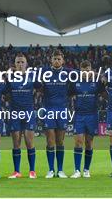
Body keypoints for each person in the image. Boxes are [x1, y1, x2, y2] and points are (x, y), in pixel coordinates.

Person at [5, 53, 41, 179]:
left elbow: (41, 87)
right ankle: (17, 171)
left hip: (28, 112)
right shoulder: (10, 78)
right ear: (15, 64)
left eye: (22, 62)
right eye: (18, 62)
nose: (20, 64)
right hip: (15, 113)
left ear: (26, 64)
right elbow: (4, 92)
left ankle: (32, 171)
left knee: (29, 142)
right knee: (16, 143)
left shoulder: (32, 76)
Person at [41, 50, 72, 178]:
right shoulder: (44, 73)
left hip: (62, 110)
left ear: (63, 60)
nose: (57, 61)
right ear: (51, 60)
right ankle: (51, 170)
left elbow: (84, 74)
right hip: (49, 110)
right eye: (55, 59)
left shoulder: (69, 73)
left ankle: (60, 170)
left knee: (60, 141)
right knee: (50, 141)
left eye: (59, 59)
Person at [69, 60, 102, 178]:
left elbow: (104, 93)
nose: (85, 73)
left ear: (91, 71)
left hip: (92, 115)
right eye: (83, 71)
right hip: (79, 115)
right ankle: (77, 170)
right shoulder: (75, 83)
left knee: (89, 143)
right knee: (78, 141)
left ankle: (86, 169)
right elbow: (68, 94)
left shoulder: (96, 83)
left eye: (87, 70)